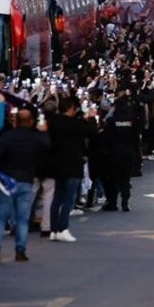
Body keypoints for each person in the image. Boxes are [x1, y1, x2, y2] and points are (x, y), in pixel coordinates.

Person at [0, 108, 50, 262]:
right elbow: (46, 145)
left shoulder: (7, 137)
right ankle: (20, 251)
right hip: (26, 179)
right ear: (31, 122)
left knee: (0, 217)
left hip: (7, 180)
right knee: (22, 218)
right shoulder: (35, 138)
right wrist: (44, 131)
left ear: (15, 121)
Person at [48, 96, 95, 244]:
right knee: (68, 199)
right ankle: (63, 229)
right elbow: (91, 131)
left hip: (56, 164)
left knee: (57, 198)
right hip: (72, 165)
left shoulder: (53, 122)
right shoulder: (74, 123)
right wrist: (92, 118)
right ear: (71, 108)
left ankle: (54, 230)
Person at [100, 87, 137, 212]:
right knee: (125, 179)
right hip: (128, 152)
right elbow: (135, 137)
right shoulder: (131, 121)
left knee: (113, 179)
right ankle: (125, 203)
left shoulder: (111, 121)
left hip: (114, 153)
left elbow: (106, 137)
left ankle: (113, 203)